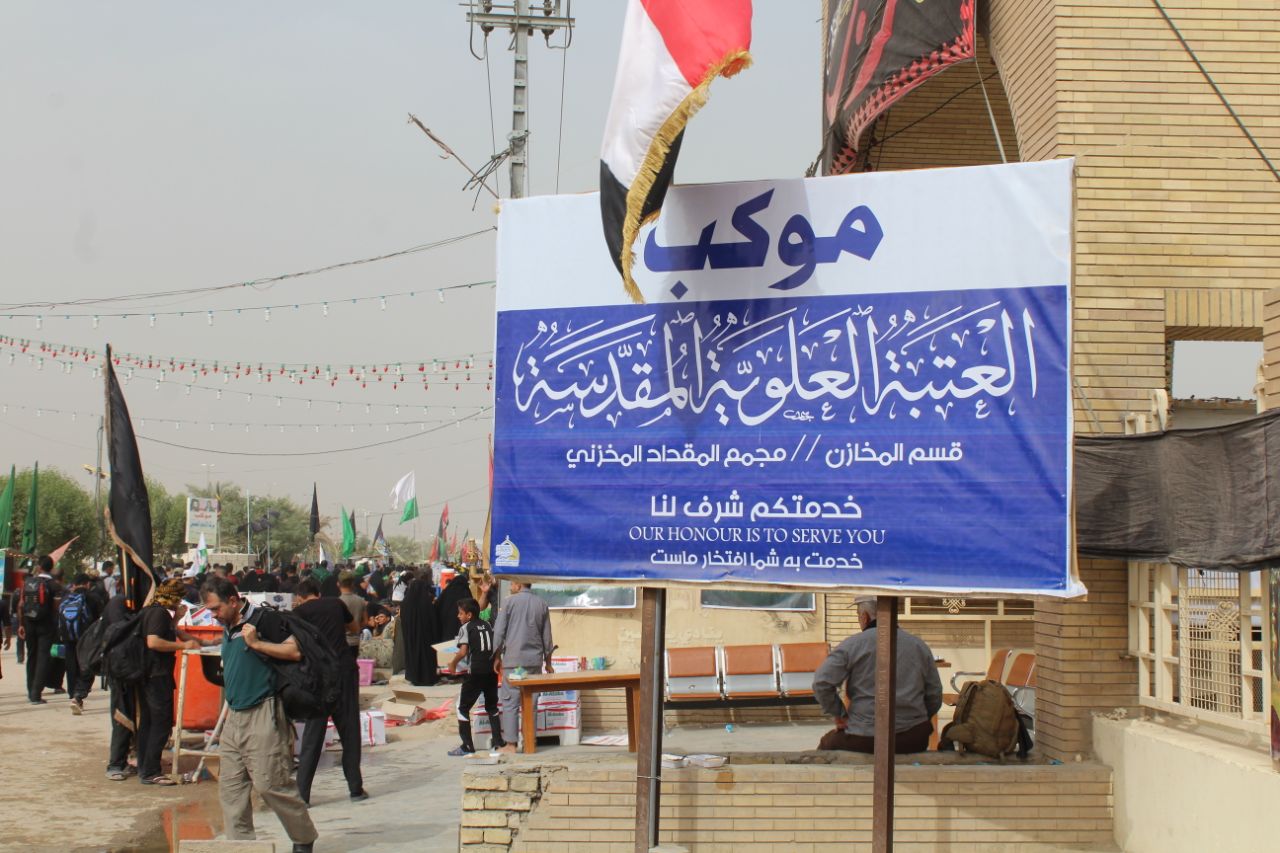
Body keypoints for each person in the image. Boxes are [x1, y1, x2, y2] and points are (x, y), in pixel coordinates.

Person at [200, 576, 317, 853]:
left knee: (270, 784)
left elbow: (295, 651)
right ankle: (242, 847)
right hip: (234, 717)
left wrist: (256, 644)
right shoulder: (228, 626)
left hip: (263, 713)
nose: (213, 616)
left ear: (233, 600)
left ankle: (303, 838)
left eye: (216, 609)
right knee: (231, 791)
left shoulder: (264, 621)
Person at [812, 597, 943, 754]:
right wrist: (918, 719)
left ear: (865, 617)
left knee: (827, 744)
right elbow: (935, 694)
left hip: (865, 738)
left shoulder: (852, 645)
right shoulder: (918, 646)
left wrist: (840, 715)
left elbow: (821, 683)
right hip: (913, 739)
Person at [292, 578, 367, 805]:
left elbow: (294, 644)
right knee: (349, 730)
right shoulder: (336, 604)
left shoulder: (299, 612)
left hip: (317, 677)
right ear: (318, 592)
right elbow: (354, 628)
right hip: (343, 670)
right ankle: (355, 788)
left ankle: (303, 794)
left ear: (300, 597)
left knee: (313, 736)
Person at [137, 578, 204, 785]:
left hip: (149, 673)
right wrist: (182, 647)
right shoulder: (158, 613)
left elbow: (163, 632)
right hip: (155, 675)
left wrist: (176, 619)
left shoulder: (152, 611)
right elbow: (153, 641)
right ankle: (151, 772)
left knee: (149, 722)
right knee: (160, 722)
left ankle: (146, 767)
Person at [491, 580, 554, 754]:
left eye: (512, 583)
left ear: (518, 584)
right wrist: (548, 662)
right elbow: (547, 636)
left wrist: (496, 657)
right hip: (533, 663)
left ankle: (511, 745)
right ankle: (529, 743)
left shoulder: (509, 602)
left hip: (514, 663)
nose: (510, 586)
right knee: (530, 702)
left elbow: (499, 632)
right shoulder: (541, 603)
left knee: (511, 702)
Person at [446, 598, 506, 756]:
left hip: (476, 672)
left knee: (462, 708)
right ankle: (498, 742)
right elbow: (497, 644)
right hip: (491, 670)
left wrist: (453, 663)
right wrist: (498, 659)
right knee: (492, 706)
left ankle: (466, 746)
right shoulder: (487, 625)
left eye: (461, 613)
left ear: (469, 615)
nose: (458, 616)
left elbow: (463, 651)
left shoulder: (466, 628)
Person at [18, 554, 63, 704]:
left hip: (29, 623)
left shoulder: (28, 583)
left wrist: (21, 625)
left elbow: (21, 605)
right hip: (46, 624)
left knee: (32, 656)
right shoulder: (54, 585)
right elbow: (57, 607)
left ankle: (31, 690)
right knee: (43, 657)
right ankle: (36, 694)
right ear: (51, 568)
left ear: (39, 567)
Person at [102, 589, 137, 781]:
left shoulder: (119, 605)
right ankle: (115, 763)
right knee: (121, 718)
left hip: (125, 671)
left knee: (126, 717)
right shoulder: (119, 607)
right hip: (120, 673)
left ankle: (122, 761)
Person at [61, 572, 101, 714]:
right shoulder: (93, 598)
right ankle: (79, 696)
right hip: (87, 637)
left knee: (71, 664)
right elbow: (100, 619)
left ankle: (73, 694)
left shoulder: (66, 598)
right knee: (86, 664)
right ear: (87, 584)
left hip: (68, 636)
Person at [399, 570, 440, 686]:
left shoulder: (405, 604)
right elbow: (434, 622)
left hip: (410, 637)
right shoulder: (427, 604)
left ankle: (414, 677)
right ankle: (428, 677)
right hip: (427, 638)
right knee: (426, 656)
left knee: (413, 655)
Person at [337, 572, 367, 653]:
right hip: (356, 641)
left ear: (338, 584)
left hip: (341, 641)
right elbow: (365, 621)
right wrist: (356, 627)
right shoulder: (361, 600)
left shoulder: (337, 602)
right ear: (352, 584)